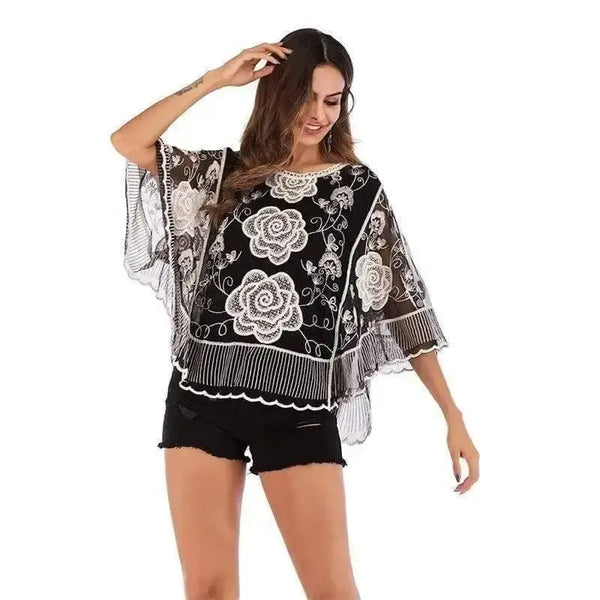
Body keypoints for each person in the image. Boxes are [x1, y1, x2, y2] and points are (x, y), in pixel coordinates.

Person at [111, 27, 479, 600]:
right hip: (200, 399)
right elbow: (129, 140)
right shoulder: (226, 175)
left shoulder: (357, 191)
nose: (318, 115)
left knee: (331, 590)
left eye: (333, 101)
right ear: (276, 93)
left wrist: (452, 414)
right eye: (306, 98)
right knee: (206, 589)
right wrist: (215, 81)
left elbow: (402, 303)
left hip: (299, 408)